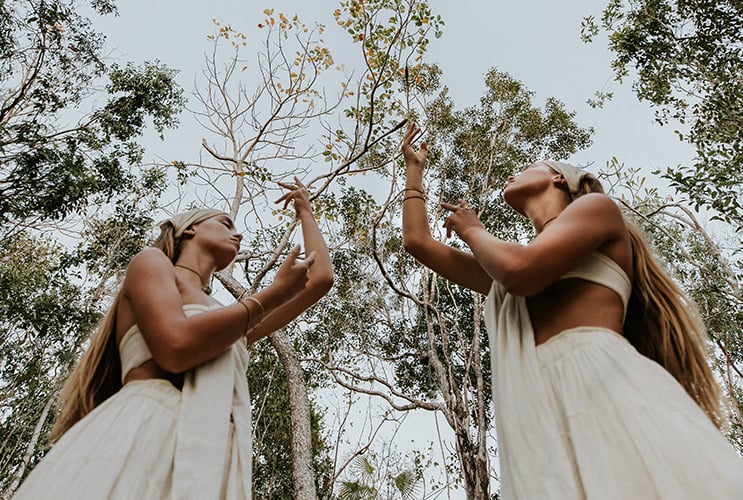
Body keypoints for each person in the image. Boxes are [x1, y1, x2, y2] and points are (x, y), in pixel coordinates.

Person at [400, 122, 743, 499]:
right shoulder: (508, 263)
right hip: (538, 416)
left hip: (601, 382)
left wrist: (472, 230)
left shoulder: (597, 209)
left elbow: (520, 272)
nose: (513, 174)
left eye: (529, 167)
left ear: (560, 179)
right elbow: (418, 242)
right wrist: (414, 171)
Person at [13, 178, 333, 500]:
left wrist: (304, 210)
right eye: (225, 223)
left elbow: (320, 279)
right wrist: (270, 297)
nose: (238, 234)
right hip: (144, 431)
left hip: (209, 457)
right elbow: (176, 348)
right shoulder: (151, 263)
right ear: (190, 229)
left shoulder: (229, 319)